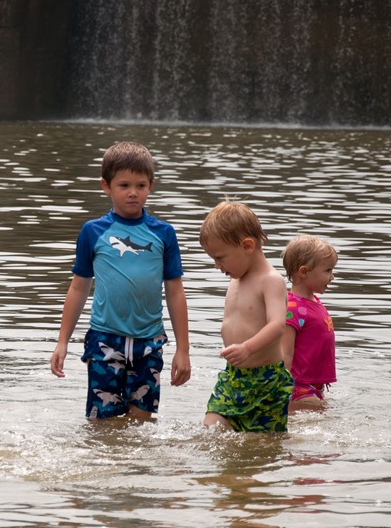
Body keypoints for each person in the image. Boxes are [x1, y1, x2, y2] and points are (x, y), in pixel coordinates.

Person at [50, 141, 191, 420]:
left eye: (140, 185)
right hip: (104, 340)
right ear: (106, 186)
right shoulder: (93, 231)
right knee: (102, 424)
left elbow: (175, 292)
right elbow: (78, 287)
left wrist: (183, 350)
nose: (133, 193)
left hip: (149, 342)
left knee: (141, 424)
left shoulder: (164, 233)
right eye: (124, 185)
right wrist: (62, 341)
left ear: (151, 186)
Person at [200, 200, 293, 432]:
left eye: (220, 257)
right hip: (233, 377)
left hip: (266, 381)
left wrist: (247, 348)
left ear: (247, 246)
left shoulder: (270, 280)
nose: (216, 265)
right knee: (211, 432)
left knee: (265, 444)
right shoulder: (235, 279)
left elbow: (277, 325)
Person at [281, 234, 338, 410]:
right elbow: (285, 353)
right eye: (327, 270)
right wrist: (280, 390)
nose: (332, 277)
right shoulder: (292, 309)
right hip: (297, 388)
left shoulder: (314, 301)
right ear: (304, 272)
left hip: (313, 386)